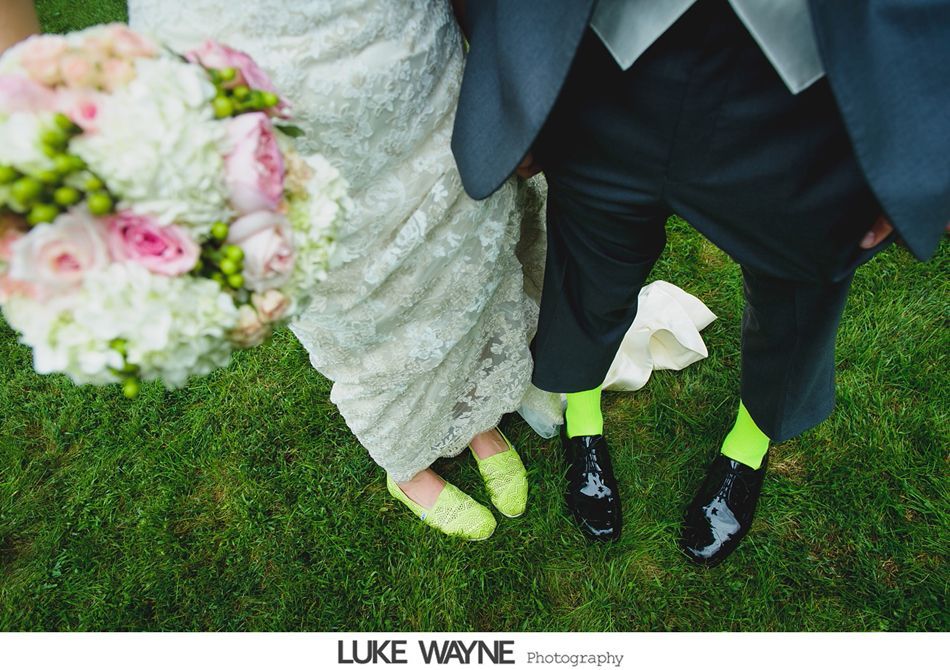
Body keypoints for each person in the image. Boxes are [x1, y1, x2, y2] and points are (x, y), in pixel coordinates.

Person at [2, 0, 714, 542]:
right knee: (347, 290)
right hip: (235, 67)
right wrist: (36, 138)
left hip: (400, 47)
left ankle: (475, 413)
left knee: (463, 246)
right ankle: (407, 461)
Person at [452, 0, 949, 562]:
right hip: (610, 62)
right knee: (588, 265)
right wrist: (515, 87)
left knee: (794, 299)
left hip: (811, 99)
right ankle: (583, 419)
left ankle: (748, 446)